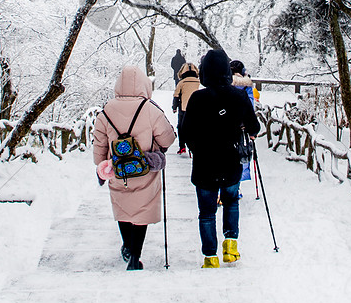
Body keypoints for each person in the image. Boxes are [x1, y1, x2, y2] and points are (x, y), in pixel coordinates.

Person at [92, 65, 176, 270]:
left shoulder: (106, 110)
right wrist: (156, 148)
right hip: (144, 168)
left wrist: (100, 165)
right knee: (142, 210)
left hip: (118, 170)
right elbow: (168, 137)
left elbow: (99, 144)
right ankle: (135, 256)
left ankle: (127, 246)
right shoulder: (150, 108)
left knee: (122, 207)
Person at [183, 49, 260, 268]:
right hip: (231, 161)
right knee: (231, 202)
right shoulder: (238, 96)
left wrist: (197, 148)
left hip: (204, 164)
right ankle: (231, 246)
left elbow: (186, 131)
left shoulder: (197, 98)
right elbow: (255, 127)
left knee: (206, 212)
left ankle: (210, 257)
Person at [171, 61, 201, 156]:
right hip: (197, 109)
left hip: (184, 109)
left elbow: (176, 95)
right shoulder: (199, 82)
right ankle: (194, 146)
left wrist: (174, 107)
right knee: (195, 127)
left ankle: (182, 146)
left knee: (181, 126)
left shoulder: (182, 82)